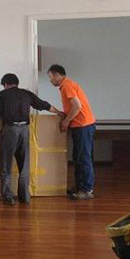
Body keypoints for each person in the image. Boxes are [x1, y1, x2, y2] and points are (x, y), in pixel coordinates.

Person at [0, 73, 64, 206]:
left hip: (10, 130)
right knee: (24, 165)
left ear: (5, 84)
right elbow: (43, 105)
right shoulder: (26, 94)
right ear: (16, 83)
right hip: (24, 130)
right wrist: (59, 112)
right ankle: (24, 197)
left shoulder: (3, 94)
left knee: (6, 164)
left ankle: (8, 197)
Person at [47, 64, 96, 200]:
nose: (50, 81)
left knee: (83, 158)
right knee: (78, 157)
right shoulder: (67, 85)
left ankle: (86, 190)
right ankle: (80, 186)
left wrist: (66, 121)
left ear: (58, 75)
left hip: (83, 125)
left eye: (51, 77)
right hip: (81, 125)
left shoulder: (67, 85)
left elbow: (77, 106)